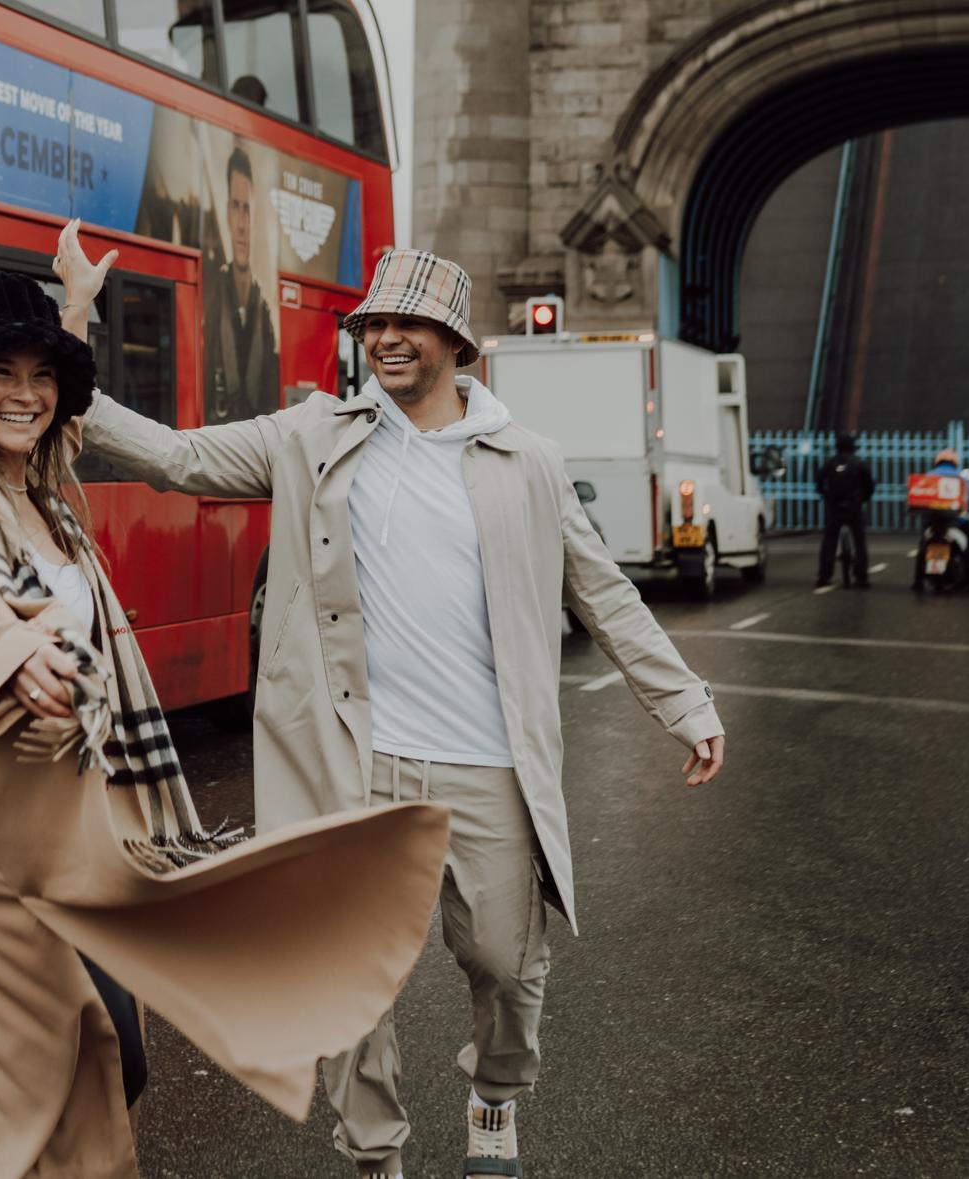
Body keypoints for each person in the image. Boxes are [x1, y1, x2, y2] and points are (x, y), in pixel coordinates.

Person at [56, 226, 725, 1179]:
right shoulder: (312, 436)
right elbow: (173, 456)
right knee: (344, 979)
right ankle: (374, 1152)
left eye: (413, 323)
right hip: (352, 760)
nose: (389, 338)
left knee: (506, 961)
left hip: (485, 759)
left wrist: (685, 701)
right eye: (376, 324)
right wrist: (72, 319)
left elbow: (603, 588)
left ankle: (494, 1095)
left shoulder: (524, 458)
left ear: (459, 344)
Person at [0, 271, 449, 1179]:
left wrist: (76, 315)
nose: (25, 393)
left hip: (59, 832)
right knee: (36, 1082)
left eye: (40, 373)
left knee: (87, 1060)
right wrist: (10, 657)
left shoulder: (42, 492)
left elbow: (64, 418)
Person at [202, 143, 279, 423]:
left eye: (247, 209)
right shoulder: (212, 301)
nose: (242, 224)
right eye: (236, 207)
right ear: (227, 215)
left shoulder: (266, 312)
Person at [910, 446, 969, 593]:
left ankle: (918, 581)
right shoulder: (962, 479)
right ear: (955, 462)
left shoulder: (928, 477)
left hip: (932, 522)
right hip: (956, 523)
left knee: (923, 545)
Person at [814, 432, 875, 588]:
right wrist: (863, 498)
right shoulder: (859, 463)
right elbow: (869, 485)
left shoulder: (830, 463)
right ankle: (861, 577)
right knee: (859, 540)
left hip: (834, 506)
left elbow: (819, 481)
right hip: (854, 506)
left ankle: (824, 576)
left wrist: (826, 496)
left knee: (829, 540)